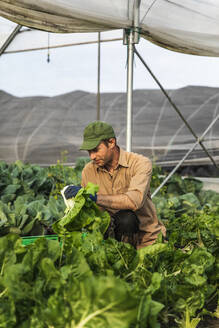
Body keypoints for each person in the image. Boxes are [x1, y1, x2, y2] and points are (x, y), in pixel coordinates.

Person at [64, 121, 166, 249]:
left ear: (111, 143)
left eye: (95, 150)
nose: (92, 156)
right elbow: (91, 213)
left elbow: (134, 201)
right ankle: (116, 250)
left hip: (145, 239)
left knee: (126, 218)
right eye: (89, 152)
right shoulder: (88, 171)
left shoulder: (139, 163)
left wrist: (94, 197)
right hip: (109, 241)